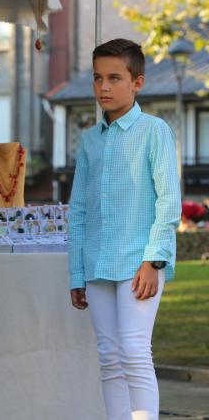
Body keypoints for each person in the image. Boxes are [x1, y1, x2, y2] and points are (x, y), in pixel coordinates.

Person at [68, 38, 180, 420]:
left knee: (134, 351)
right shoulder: (88, 141)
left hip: (139, 263)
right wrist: (76, 273)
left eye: (114, 78)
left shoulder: (155, 131)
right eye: (98, 78)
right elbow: (79, 210)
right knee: (109, 357)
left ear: (138, 82)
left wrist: (154, 261)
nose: (103, 87)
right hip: (97, 262)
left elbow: (168, 201)